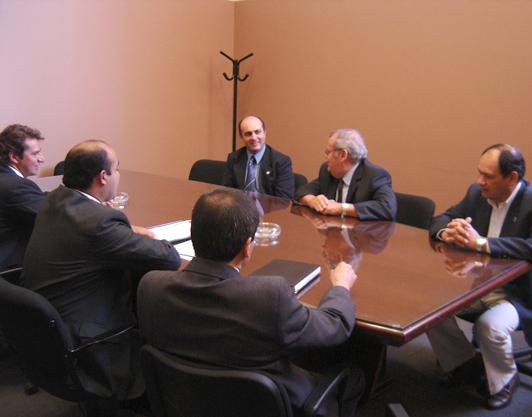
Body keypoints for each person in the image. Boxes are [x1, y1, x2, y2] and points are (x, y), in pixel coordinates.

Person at [137, 188, 364, 417]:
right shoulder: (269, 298)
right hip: (263, 405)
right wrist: (340, 287)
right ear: (248, 247)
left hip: (185, 403)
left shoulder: (151, 286)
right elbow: (334, 326)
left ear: (194, 235)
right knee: (354, 376)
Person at [23, 140, 181, 401]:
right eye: (117, 169)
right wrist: (148, 236)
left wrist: (124, 230)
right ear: (103, 177)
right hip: (91, 342)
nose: (118, 175)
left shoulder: (54, 200)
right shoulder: (98, 223)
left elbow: (91, 234)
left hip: (48, 333)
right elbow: (169, 259)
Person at [427, 144, 532, 410]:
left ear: (512, 178)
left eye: (488, 176)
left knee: (489, 326)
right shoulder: (477, 193)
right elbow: (444, 217)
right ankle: (464, 363)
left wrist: (483, 243)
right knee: (427, 311)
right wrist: (446, 232)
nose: (479, 181)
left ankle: (506, 379)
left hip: (519, 293)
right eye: (479, 173)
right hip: (478, 284)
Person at [295, 128, 397, 221]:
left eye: (328, 152)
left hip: (360, 238)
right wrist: (312, 200)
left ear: (343, 155)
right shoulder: (327, 171)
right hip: (332, 233)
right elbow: (301, 191)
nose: (326, 157)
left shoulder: (374, 175)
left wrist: (342, 208)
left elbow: (387, 208)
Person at [0, 124, 46, 272]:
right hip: (10, 270)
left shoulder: (6, 180)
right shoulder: (16, 186)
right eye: (35, 154)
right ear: (14, 156)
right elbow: (51, 218)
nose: (42, 159)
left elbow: (34, 200)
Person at [222, 115, 295, 198]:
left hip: (268, 210)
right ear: (241, 137)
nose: (253, 137)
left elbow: (284, 199)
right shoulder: (234, 158)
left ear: (264, 132)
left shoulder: (281, 161)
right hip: (239, 208)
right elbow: (226, 191)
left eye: (257, 132)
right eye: (248, 134)